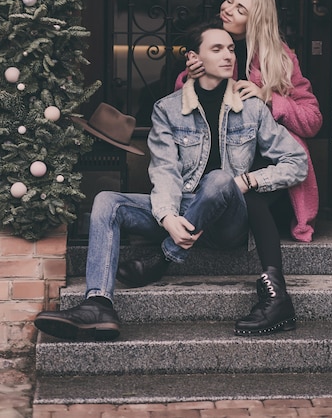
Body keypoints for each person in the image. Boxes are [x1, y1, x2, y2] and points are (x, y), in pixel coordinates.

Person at [34, 22, 308, 340]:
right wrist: (167, 216)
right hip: (182, 209)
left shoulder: (251, 108)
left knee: (220, 179)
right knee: (107, 200)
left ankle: (166, 256)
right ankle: (98, 304)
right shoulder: (167, 110)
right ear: (194, 58)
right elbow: (164, 170)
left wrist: (248, 180)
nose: (228, 55)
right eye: (217, 49)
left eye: (231, 48)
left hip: (227, 222)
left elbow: (296, 162)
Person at [175, 0, 322, 244]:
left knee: (250, 200)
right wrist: (189, 80)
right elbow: (179, 109)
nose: (228, 9)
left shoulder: (280, 58)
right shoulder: (207, 43)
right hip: (220, 163)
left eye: (240, 9)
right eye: (230, 0)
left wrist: (268, 98)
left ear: (256, 20)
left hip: (268, 166)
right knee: (230, 194)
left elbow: (312, 121)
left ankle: (271, 277)